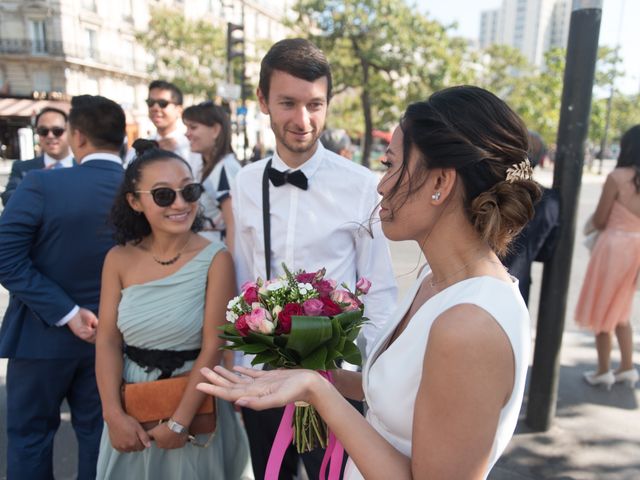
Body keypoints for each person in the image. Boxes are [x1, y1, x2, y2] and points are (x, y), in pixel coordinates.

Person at [199, 85, 541, 479]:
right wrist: (312, 377)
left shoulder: (470, 326)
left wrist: (319, 392)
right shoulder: (436, 282)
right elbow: (401, 396)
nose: (381, 184)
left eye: (392, 164)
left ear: (440, 184)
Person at [231, 38, 398, 479]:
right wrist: (239, 366)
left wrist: (373, 383)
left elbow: (379, 289)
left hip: (334, 380)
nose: (303, 120)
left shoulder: (362, 186)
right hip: (261, 374)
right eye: (287, 103)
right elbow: (243, 276)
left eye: (315, 104)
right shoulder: (245, 183)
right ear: (263, 101)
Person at [94, 140, 252, 479]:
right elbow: (107, 340)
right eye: (164, 195)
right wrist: (113, 415)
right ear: (135, 202)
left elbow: (214, 347)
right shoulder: (118, 259)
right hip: (129, 405)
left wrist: (180, 423)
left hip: (195, 402)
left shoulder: (216, 258)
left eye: (189, 191)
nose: (180, 204)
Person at [0, 95, 126, 479]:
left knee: (30, 438)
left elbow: (6, 257)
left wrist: (67, 312)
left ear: (78, 137)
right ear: (122, 139)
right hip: (116, 337)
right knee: (99, 438)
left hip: (41, 337)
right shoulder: (141, 190)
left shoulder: (42, 184)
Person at [575, 125, 640, 390]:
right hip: (636, 248)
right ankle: (626, 367)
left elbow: (600, 219)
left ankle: (603, 370)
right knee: (621, 310)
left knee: (603, 307)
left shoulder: (617, 177)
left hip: (613, 247)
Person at [503, 131, 560, 304]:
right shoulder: (550, 200)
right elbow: (545, 252)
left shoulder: (490, 191)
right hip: (517, 289)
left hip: (473, 285)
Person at [182, 102, 241, 250]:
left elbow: (233, 225)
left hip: (218, 256)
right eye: (187, 127)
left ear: (215, 130)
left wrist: (230, 270)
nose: (187, 133)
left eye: (193, 127)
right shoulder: (211, 166)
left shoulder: (225, 168)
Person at [124, 80, 202, 176]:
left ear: (179, 110)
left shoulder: (193, 146)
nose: (155, 108)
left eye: (162, 103)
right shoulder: (140, 148)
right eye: (150, 103)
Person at [1, 106, 74, 206]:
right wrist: (34, 186)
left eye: (57, 131)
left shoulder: (84, 166)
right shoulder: (22, 168)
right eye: (43, 131)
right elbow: (8, 198)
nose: (50, 136)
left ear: (70, 131)